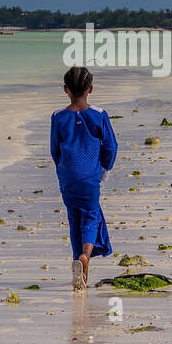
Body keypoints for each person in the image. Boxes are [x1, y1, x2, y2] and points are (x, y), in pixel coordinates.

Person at [50, 66, 118, 290]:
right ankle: (84, 258)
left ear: (65, 90)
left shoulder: (58, 117)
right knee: (90, 217)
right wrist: (105, 170)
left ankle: (78, 267)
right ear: (90, 89)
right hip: (90, 176)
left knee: (74, 220)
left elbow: (54, 150)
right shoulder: (98, 114)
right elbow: (111, 146)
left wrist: (63, 171)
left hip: (67, 177)